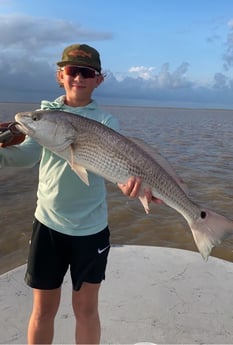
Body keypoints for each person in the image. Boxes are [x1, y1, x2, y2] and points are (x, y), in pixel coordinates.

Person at [0, 43, 158, 344]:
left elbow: (117, 171)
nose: (79, 78)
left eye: (87, 72)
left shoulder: (106, 122)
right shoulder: (45, 116)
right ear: (61, 75)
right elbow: (26, 156)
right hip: (48, 224)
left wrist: (131, 187)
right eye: (72, 71)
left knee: (86, 310)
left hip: (91, 230)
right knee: (42, 311)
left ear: (98, 80)